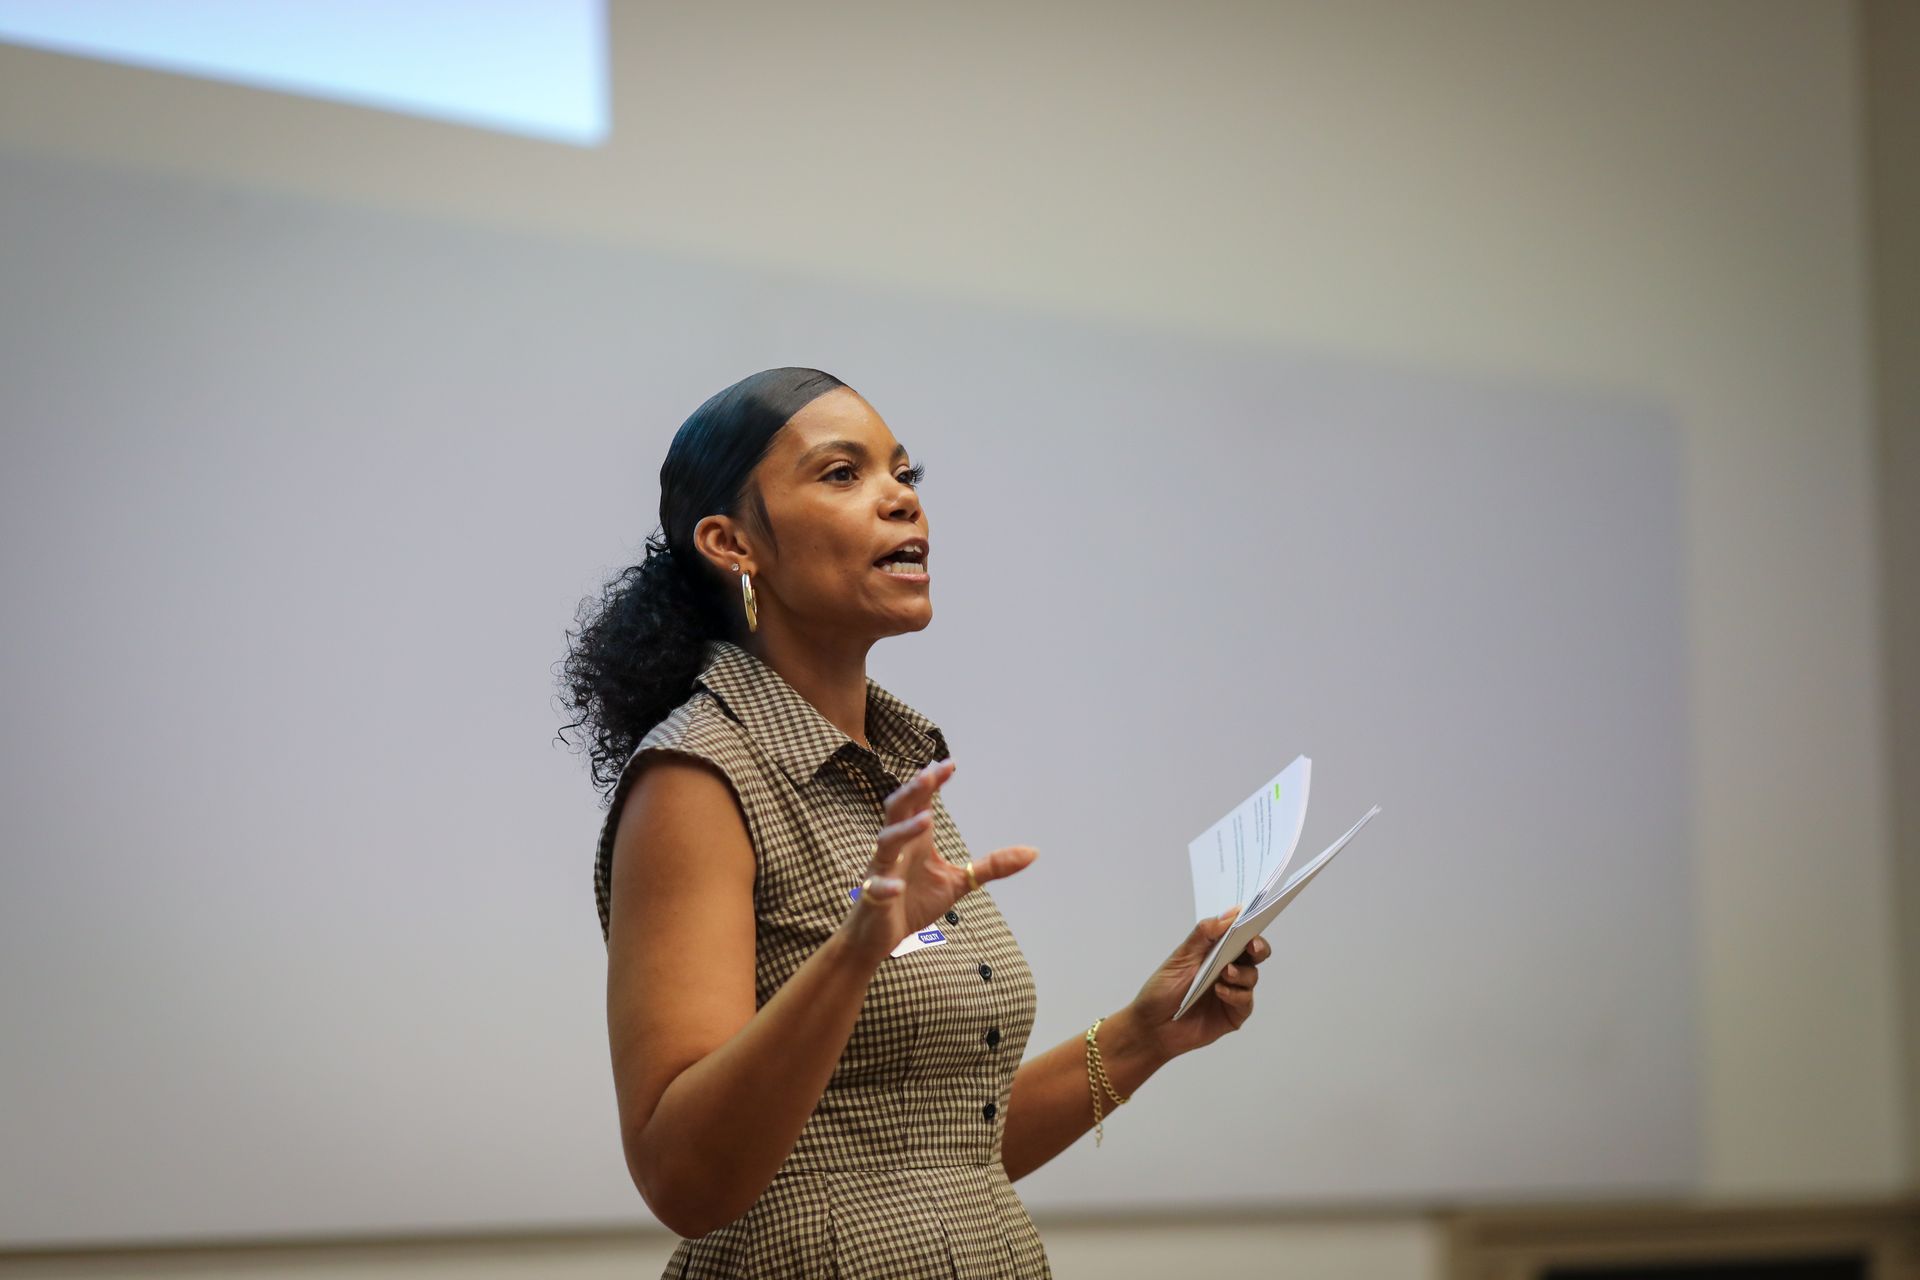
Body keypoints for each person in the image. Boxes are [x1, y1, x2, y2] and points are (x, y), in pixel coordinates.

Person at [558, 367, 1270, 1278]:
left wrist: (1146, 1034)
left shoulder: (893, 764)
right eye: (842, 474)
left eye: (905, 474)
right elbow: (682, 1180)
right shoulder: (698, 778)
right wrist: (856, 952)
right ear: (731, 543)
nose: (900, 500)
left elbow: (936, 1160)